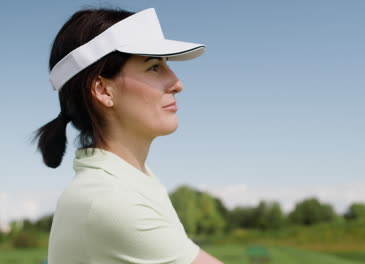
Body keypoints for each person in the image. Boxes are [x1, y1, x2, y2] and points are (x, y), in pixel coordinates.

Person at [33, 7, 223, 264]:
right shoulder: (111, 201)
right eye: (154, 67)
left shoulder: (128, 181)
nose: (177, 83)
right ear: (103, 90)